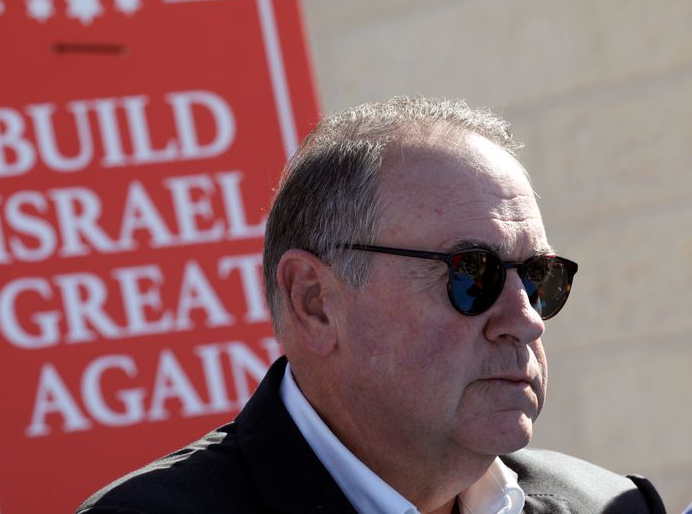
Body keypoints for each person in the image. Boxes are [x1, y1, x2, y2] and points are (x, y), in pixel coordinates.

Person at [77, 97, 666, 514]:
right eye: (472, 274)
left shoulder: (609, 504)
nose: (525, 319)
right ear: (315, 302)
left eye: (538, 277)